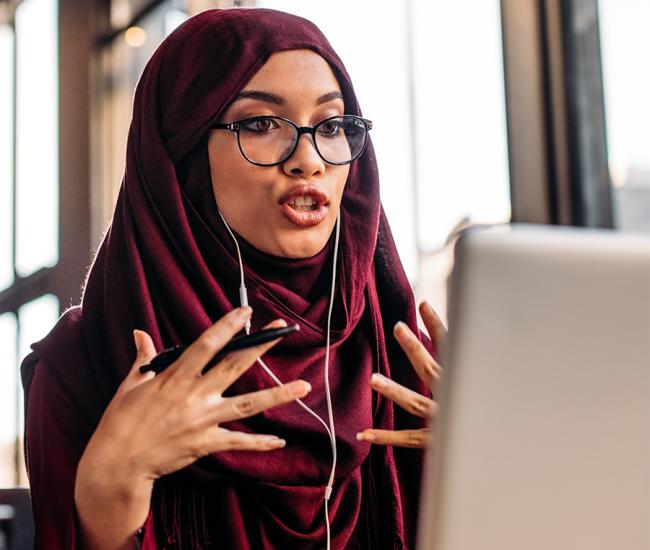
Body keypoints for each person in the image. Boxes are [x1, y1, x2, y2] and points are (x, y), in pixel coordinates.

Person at [21, 8, 445, 550]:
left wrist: (492, 475)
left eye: (333, 125)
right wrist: (110, 492)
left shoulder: (406, 367)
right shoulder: (85, 366)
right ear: (180, 156)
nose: (309, 159)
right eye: (261, 124)